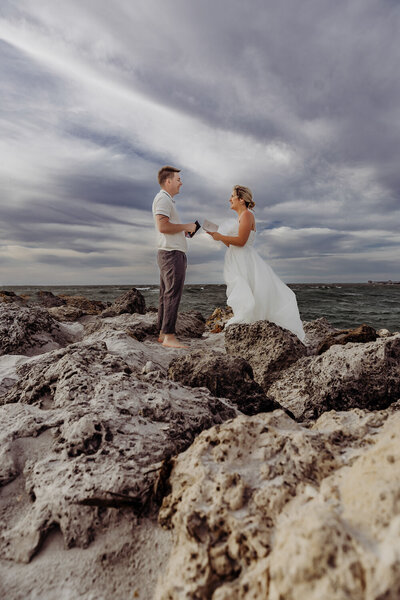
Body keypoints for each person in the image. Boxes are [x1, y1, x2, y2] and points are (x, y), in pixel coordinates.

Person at [207, 185, 305, 341]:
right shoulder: (241, 216)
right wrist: (217, 237)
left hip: (246, 260)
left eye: (232, 196)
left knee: (249, 291)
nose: (229, 199)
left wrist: (221, 237)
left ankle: (252, 324)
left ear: (241, 199)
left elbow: (241, 241)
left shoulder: (247, 215)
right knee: (247, 291)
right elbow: (233, 244)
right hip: (238, 260)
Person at [152, 166, 197, 349]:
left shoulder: (166, 200)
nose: (181, 182)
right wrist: (186, 226)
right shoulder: (163, 199)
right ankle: (169, 336)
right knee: (172, 294)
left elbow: (168, 227)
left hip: (168, 251)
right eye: (178, 179)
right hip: (171, 253)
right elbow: (163, 226)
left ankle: (163, 333)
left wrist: (183, 231)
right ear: (168, 181)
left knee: (165, 294)